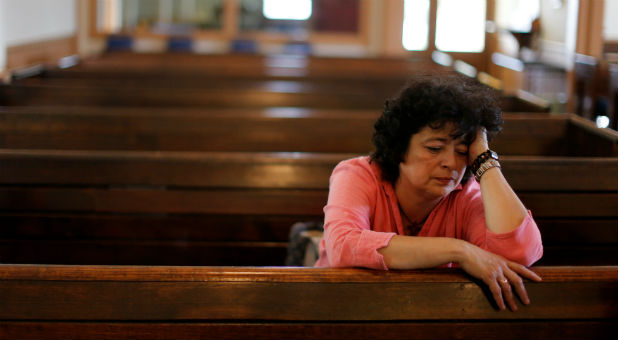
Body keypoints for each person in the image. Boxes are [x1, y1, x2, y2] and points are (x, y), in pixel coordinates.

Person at [314, 73, 543, 311]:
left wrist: (485, 161)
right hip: (340, 309)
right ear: (400, 147)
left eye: (463, 151)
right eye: (435, 148)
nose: (451, 163)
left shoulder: (466, 194)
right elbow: (343, 245)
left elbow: (519, 255)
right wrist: (460, 250)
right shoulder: (358, 174)